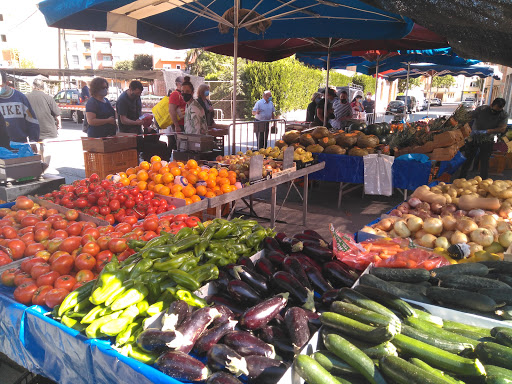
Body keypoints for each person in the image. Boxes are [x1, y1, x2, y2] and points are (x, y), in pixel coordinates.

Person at [460, 98, 508, 180]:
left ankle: (484, 181)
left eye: (498, 111)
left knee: (484, 161)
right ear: (491, 105)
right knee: (468, 158)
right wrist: (466, 128)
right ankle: (461, 178)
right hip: (474, 137)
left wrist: (488, 131)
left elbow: (502, 128)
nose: (495, 112)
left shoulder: (503, 114)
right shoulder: (482, 109)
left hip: (488, 139)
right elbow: (469, 117)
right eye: (494, 110)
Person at [0, 70, 39, 143]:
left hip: (19, 145)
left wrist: (33, 140)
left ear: (7, 83)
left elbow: (32, 120)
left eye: (0, 86)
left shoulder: (20, 98)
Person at [168, 76, 186, 151]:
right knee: (181, 147)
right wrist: (176, 126)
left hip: (184, 124)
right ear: (178, 84)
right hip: (180, 125)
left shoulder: (182, 94)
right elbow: (172, 111)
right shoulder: (175, 94)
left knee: (184, 146)